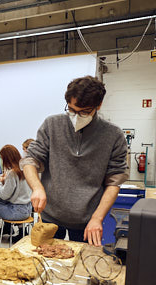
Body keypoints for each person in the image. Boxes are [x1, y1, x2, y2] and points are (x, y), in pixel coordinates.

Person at [20, 76, 128, 246]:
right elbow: (29, 160)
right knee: (45, 265)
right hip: (50, 216)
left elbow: (114, 182)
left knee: (83, 267)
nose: (76, 116)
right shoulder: (52, 125)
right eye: (71, 110)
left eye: (83, 112)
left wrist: (97, 218)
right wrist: (37, 187)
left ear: (98, 106)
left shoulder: (113, 135)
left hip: (88, 221)